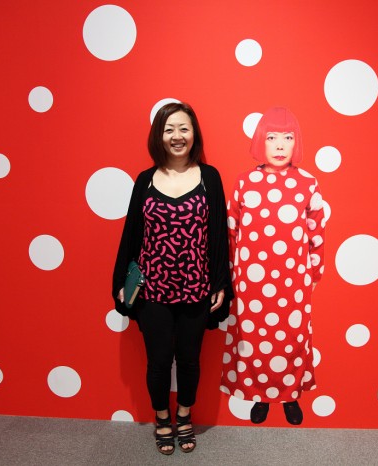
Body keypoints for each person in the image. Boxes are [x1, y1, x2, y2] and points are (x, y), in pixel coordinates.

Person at [112, 102, 232, 454]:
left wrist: (220, 282)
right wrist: (121, 281)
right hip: (153, 288)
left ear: (194, 134)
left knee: (190, 359)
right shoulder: (145, 180)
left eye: (183, 128)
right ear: (159, 136)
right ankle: (162, 417)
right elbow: (131, 234)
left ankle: (184, 415)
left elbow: (218, 235)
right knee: (159, 360)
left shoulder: (210, 177)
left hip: (197, 286)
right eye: (169, 129)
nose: (177, 136)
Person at [220, 107, 326, 425]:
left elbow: (316, 232)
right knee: (254, 338)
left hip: (293, 279)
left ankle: (290, 395)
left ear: (296, 142)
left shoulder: (308, 183)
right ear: (260, 142)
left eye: (288, 138)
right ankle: (260, 396)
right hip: (251, 279)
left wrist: (314, 272)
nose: (280, 145)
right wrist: (231, 274)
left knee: (291, 337)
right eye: (272, 137)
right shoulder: (245, 182)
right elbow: (231, 230)